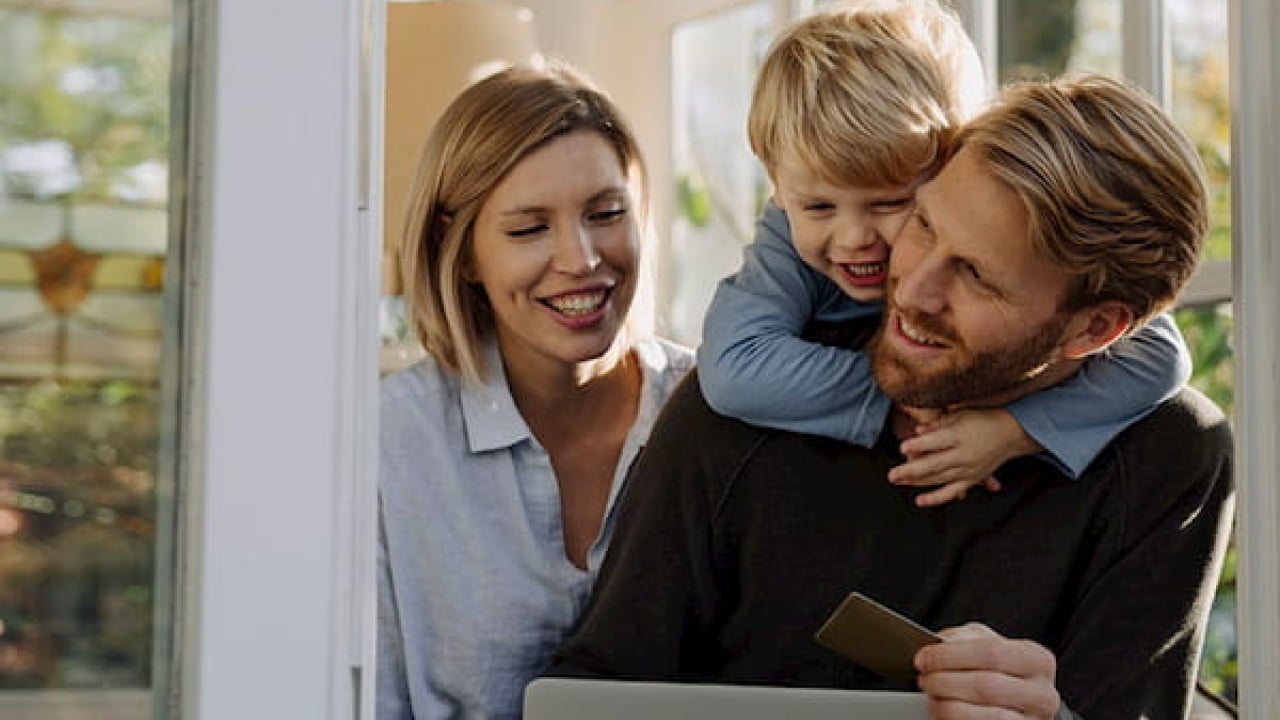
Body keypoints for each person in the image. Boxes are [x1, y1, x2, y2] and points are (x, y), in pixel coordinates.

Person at [548, 75, 1234, 720]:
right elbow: (593, 688)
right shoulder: (747, 405)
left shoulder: (1167, 457)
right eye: (925, 224)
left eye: (976, 276)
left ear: (1096, 327)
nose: (912, 289)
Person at [698, 0, 1192, 506]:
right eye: (819, 206)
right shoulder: (785, 239)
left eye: (892, 203)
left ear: (953, 163)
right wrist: (908, 403)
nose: (852, 238)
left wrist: (1014, 429)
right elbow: (734, 368)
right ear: (780, 191)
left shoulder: (1178, 448)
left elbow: (1159, 354)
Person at [376, 62, 693, 719]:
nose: (581, 259)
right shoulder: (388, 443)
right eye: (528, 229)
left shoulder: (711, 412)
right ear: (459, 251)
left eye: (606, 213)